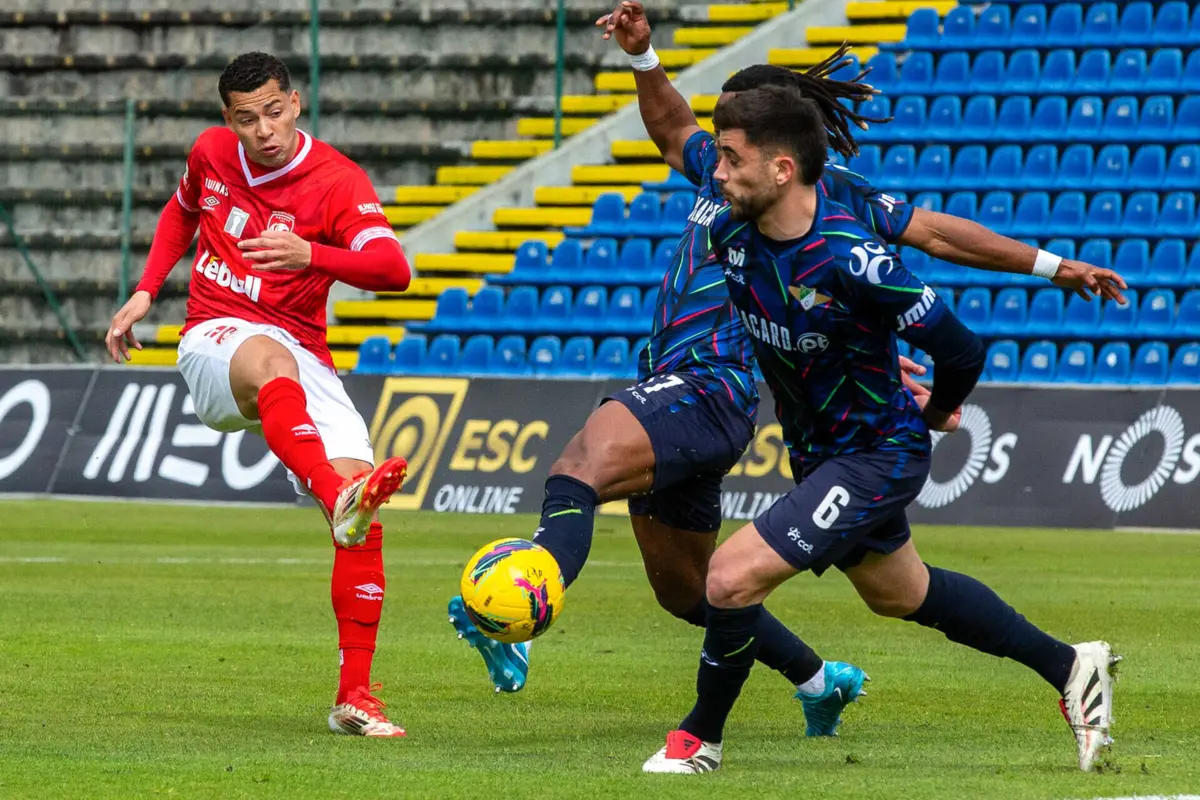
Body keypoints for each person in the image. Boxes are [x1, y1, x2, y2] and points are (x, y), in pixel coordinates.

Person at [449, 1, 1127, 725]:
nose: (717, 147)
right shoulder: (725, 169)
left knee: (598, 476)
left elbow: (930, 234)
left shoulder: (823, 199)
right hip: (715, 390)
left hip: (716, 382)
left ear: (775, 146)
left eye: (731, 131)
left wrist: (1051, 266)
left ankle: (549, 605)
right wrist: (644, 59)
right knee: (865, 591)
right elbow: (672, 129)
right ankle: (1005, 667)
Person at [630, 77, 1119, 775]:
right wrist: (644, 56)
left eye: (731, 159)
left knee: (731, 579)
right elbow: (678, 133)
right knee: (901, 593)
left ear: (782, 168)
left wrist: (930, 410)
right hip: (819, 448)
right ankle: (1073, 667)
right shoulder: (731, 216)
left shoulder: (852, 258)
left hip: (875, 453)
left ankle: (698, 739)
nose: (716, 173)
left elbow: (961, 345)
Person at [105, 51, 412, 738]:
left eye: (274, 112)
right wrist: (145, 290)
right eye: (248, 119)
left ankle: (354, 697)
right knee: (276, 371)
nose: (264, 130)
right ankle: (335, 498)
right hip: (216, 336)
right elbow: (180, 213)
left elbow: (393, 270)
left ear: (295, 103)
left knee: (363, 513)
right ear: (228, 120)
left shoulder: (336, 181)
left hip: (303, 351)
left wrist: (313, 256)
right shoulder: (212, 154)